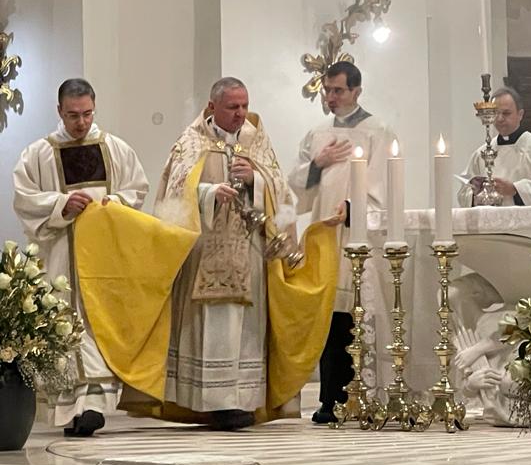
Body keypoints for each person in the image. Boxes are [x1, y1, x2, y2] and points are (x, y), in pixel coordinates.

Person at [125, 77, 336, 430]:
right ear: (212, 107)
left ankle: (242, 400)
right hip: (204, 251)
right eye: (232, 107)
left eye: (244, 105)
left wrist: (256, 180)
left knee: (246, 331)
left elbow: (282, 193)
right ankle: (213, 403)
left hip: (249, 252)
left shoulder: (257, 141)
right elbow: (172, 194)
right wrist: (208, 193)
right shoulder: (191, 142)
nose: (241, 114)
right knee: (213, 328)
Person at [12, 78, 149, 437]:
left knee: (96, 323)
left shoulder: (114, 148)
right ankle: (72, 412)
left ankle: (92, 408)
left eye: (87, 114)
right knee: (64, 325)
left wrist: (112, 203)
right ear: (59, 110)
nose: (81, 123)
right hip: (60, 258)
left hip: (102, 260)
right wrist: (61, 204)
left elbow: (137, 189)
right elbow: (24, 198)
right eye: (73, 115)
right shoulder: (39, 153)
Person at [288, 59, 395, 425]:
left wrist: (354, 206)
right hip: (325, 233)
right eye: (327, 90)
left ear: (356, 91)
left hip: (357, 233)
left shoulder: (378, 131)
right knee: (327, 315)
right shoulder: (317, 133)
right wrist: (316, 165)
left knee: (354, 313)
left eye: (338, 90)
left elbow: (383, 182)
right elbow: (296, 185)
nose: (331, 97)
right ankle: (329, 398)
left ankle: (359, 394)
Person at [457, 87, 531, 207]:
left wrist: (515, 190)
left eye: (506, 113)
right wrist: (477, 193)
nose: (500, 118)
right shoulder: (481, 154)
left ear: (520, 114)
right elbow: (463, 194)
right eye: (495, 113)